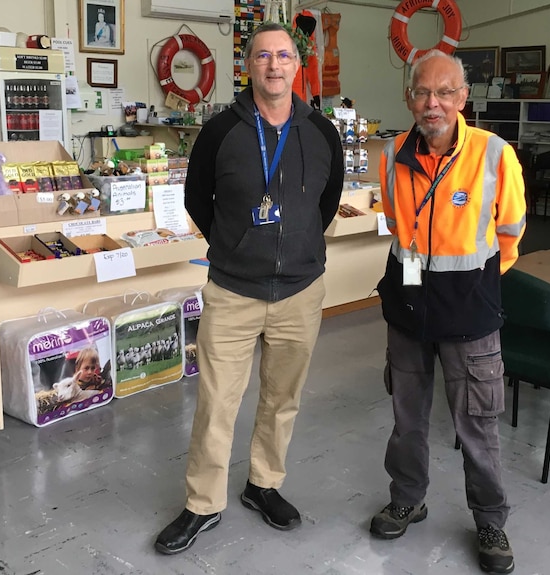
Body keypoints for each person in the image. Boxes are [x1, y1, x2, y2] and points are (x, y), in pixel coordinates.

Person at [154, 21, 343, 555]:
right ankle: (202, 504)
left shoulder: (321, 132)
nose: (274, 65)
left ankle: (264, 484)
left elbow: (325, 204)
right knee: (217, 402)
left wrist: (301, 246)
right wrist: (233, 246)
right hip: (233, 291)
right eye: (263, 56)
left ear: (296, 66)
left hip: (300, 291)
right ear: (248, 66)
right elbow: (196, 200)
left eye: (284, 56)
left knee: (283, 399)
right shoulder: (220, 131)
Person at [370, 50, 526, 575]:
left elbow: (510, 234)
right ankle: (408, 498)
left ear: (462, 99)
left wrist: (473, 284)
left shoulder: (495, 154)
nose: (431, 103)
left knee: (478, 423)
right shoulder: (392, 154)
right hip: (407, 306)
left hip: (471, 312)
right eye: (421, 92)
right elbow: (397, 226)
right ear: (408, 97)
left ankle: (490, 518)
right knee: (406, 417)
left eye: (444, 93)